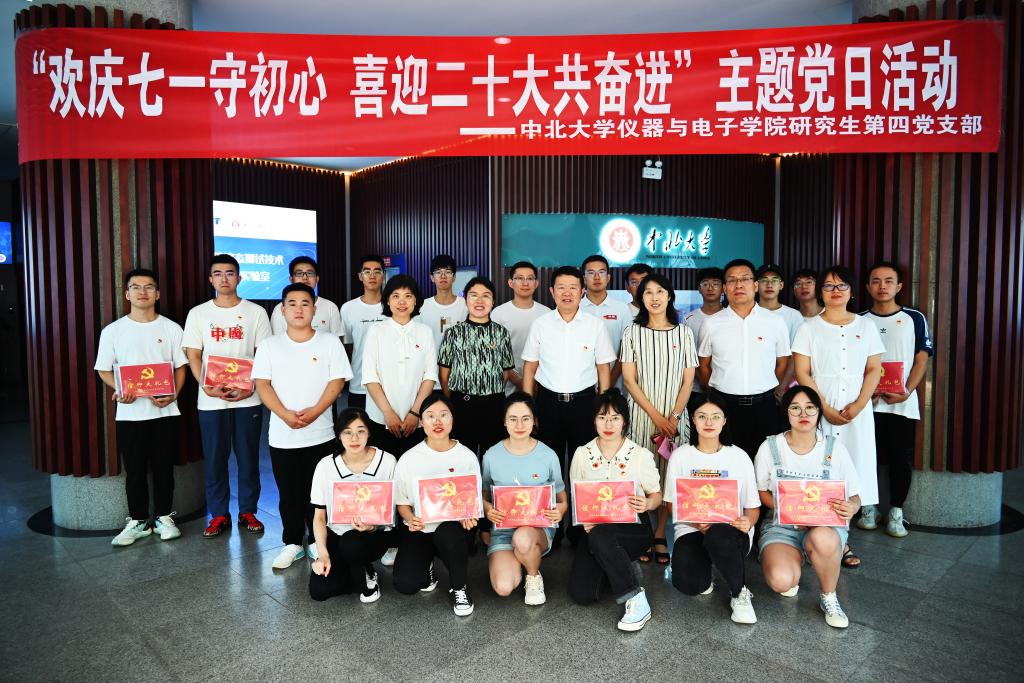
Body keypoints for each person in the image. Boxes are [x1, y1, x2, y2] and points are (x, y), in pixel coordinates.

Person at [254, 283, 352, 570]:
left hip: (320, 433)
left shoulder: (329, 342)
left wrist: (316, 411)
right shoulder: (270, 345)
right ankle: (292, 542)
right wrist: (284, 414)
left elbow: (337, 381)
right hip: (282, 434)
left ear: (314, 309)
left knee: (318, 492)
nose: (298, 309)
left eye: (305, 303)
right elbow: (262, 384)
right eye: (292, 303)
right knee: (289, 492)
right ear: (282, 309)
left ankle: (316, 542)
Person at [792, 265, 883, 569]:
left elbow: (874, 368)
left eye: (842, 286)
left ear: (852, 291)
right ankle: (826, 540)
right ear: (821, 291)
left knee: (852, 470)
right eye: (829, 286)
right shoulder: (808, 328)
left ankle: (839, 539)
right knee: (820, 472)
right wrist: (825, 408)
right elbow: (803, 372)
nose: (835, 291)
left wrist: (859, 404)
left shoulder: (866, 326)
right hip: (819, 407)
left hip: (858, 412)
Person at [95, 268, 189, 546]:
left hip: (165, 411)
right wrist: (121, 388)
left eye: (149, 287)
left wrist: (174, 394)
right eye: (135, 287)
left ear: (157, 294)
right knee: (134, 470)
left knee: (164, 468)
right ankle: (137, 521)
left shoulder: (171, 328)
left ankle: (163, 517)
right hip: (130, 412)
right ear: (127, 294)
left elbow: (181, 367)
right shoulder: (113, 331)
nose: (142, 292)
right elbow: (103, 370)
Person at [756, 386, 862, 629]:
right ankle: (797, 560)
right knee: (781, 581)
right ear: (786, 412)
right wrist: (791, 512)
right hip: (782, 526)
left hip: (824, 526)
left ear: (818, 412)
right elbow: (761, 492)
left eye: (810, 408)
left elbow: (855, 495)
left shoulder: (835, 449)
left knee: (822, 538)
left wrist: (853, 507)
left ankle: (829, 596)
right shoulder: (770, 447)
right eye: (795, 408)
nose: (803, 414)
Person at [183, 254, 272, 538]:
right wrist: (204, 385)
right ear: (210, 279)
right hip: (210, 400)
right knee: (215, 460)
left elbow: (263, 354)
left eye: (230, 273)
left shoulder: (255, 312)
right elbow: (193, 355)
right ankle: (219, 515)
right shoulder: (198, 314)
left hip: (248, 398)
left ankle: (248, 511)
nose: (224, 278)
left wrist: (251, 386)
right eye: (218, 273)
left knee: (248, 458)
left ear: (239, 278)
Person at [567, 390, 662, 632]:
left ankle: (636, 599)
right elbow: (578, 496)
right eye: (602, 418)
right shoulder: (582, 454)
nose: (608, 424)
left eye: (615, 418)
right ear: (594, 421)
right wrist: (584, 520)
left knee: (602, 536)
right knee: (582, 594)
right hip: (594, 529)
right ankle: (621, 565)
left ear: (625, 421)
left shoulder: (640, 455)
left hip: (633, 528)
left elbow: (657, 496)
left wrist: (647, 504)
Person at [619, 272, 698, 564]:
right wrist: (656, 417)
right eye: (648, 292)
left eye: (660, 291)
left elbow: (688, 380)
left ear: (669, 296)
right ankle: (642, 533)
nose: (654, 298)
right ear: (641, 298)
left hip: (675, 418)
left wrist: (673, 417)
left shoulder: (684, 332)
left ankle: (661, 533)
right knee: (639, 473)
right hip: (642, 415)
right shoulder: (632, 332)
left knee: (668, 474)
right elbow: (629, 380)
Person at [664, 392, 761, 624]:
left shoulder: (739, 457)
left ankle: (739, 593)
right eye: (702, 416)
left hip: (731, 532)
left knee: (718, 534)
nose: (709, 422)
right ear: (693, 419)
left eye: (716, 416)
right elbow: (671, 505)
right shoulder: (680, 456)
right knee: (688, 584)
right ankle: (707, 568)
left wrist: (748, 521)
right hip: (691, 528)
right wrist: (696, 522)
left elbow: (753, 508)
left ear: (724, 420)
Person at [392, 391, 481, 616]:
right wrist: (410, 518)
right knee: (406, 584)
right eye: (430, 416)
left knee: (449, 534)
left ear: (453, 419)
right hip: (421, 529)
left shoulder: (467, 457)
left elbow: (473, 501)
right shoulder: (409, 459)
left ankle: (459, 587)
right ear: (421, 422)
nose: (437, 421)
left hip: (454, 529)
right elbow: (402, 503)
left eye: (444, 415)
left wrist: (470, 516)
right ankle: (427, 565)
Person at [861, 261, 934, 537]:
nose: (882, 286)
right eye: (876, 281)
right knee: (865, 456)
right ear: (867, 286)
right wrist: (864, 394)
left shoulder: (914, 318)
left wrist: (906, 391)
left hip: (902, 403)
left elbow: (922, 359)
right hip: (866, 404)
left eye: (888, 281)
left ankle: (896, 512)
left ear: (899, 286)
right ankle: (868, 509)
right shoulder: (859, 319)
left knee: (900, 460)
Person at [697, 258, 790, 461]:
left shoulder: (775, 322)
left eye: (745, 279)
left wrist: (768, 386)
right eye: (732, 280)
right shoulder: (711, 324)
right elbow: (703, 366)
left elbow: (782, 362)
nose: (738, 285)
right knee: (725, 462)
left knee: (765, 462)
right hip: (724, 406)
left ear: (755, 285)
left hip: (765, 407)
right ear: (725, 288)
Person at [522, 265, 615, 468]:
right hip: (547, 404)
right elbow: (529, 368)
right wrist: (527, 408)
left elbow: (603, 369)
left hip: (584, 404)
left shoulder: (595, 325)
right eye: (561, 287)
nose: (567, 293)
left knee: (583, 465)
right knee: (547, 464)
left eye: (573, 287)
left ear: (582, 291)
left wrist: (603, 407)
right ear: (552, 291)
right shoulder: (541, 324)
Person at [481, 393, 567, 605]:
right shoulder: (491, 455)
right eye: (513, 419)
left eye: (525, 418)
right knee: (503, 587)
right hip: (503, 529)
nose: (519, 425)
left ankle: (533, 575)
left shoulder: (548, 455)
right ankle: (522, 556)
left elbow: (561, 496)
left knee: (523, 539)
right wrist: (487, 508)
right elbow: (484, 493)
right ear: (504, 421)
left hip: (537, 528)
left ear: (534, 421)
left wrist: (562, 509)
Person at [308, 408, 398, 603]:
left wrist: (372, 527)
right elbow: (319, 517)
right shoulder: (325, 466)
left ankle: (366, 573)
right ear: (339, 435)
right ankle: (354, 570)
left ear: (369, 433)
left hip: (375, 535)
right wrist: (322, 555)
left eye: (360, 431)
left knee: (352, 543)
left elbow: (392, 514)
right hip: (337, 535)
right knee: (319, 591)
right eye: (347, 432)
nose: (354, 438)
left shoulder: (387, 461)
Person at [438, 276, 514, 458]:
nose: (480, 301)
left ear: (493, 302)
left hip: (494, 406)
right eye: (474, 295)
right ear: (466, 300)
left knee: (493, 457)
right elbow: (444, 375)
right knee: (463, 457)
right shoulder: (453, 333)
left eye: (486, 296)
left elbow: (506, 372)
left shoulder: (501, 332)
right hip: (462, 406)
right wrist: (453, 401)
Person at [362, 274, 437, 457]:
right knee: (384, 467)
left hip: (417, 419)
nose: (402, 302)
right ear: (387, 300)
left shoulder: (425, 332)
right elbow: (370, 376)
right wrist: (388, 413)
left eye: (408, 296)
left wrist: (415, 413)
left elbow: (430, 376)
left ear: (415, 301)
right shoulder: (376, 331)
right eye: (396, 296)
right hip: (381, 418)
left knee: (415, 467)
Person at [491, 261, 550, 394]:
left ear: (536, 283)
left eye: (530, 278)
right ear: (510, 283)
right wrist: (518, 380)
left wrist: (532, 382)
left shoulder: (546, 313)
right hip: (506, 384)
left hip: (540, 383)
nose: (525, 283)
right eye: (519, 278)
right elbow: (495, 352)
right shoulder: (498, 313)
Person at [340, 254, 386, 410]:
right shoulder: (348, 308)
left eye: (377, 271)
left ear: (383, 276)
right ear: (360, 276)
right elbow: (348, 346)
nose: (372, 276)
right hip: (359, 383)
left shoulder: (393, 306)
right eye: (367, 271)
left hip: (389, 384)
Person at [580, 254, 633, 387]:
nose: (597, 277)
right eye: (591, 273)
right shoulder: (575, 308)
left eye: (601, 272)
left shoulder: (622, 309)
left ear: (608, 277)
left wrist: (610, 380)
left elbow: (627, 349)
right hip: (580, 384)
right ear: (584, 278)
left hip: (615, 383)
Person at [683, 267, 724, 417]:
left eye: (715, 283)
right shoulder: (689, 318)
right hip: (695, 387)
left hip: (724, 385)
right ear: (699, 289)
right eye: (705, 284)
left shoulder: (730, 317)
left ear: (723, 288)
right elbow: (687, 354)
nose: (710, 288)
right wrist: (703, 381)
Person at [270, 256, 343, 337]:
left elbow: (337, 339)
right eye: (299, 274)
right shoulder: (279, 309)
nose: (305, 278)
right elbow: (277, 341)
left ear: (317, 279)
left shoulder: (330, 307)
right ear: (291, 279)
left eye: (310, 273)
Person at [418, 254, 467, 351]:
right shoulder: (422, 307)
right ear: (432, 277)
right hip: (432, 360)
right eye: (438, 272)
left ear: (454, 277)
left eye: (448, 272)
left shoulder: (465, 305)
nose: (443, 276)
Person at [756, 263, 805, 345]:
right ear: (756, 285)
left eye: (775, 280)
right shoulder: (749, 313)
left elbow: (799, 348)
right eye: (764, 280)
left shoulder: (793, 316)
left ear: (781, 285)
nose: (769, 285)